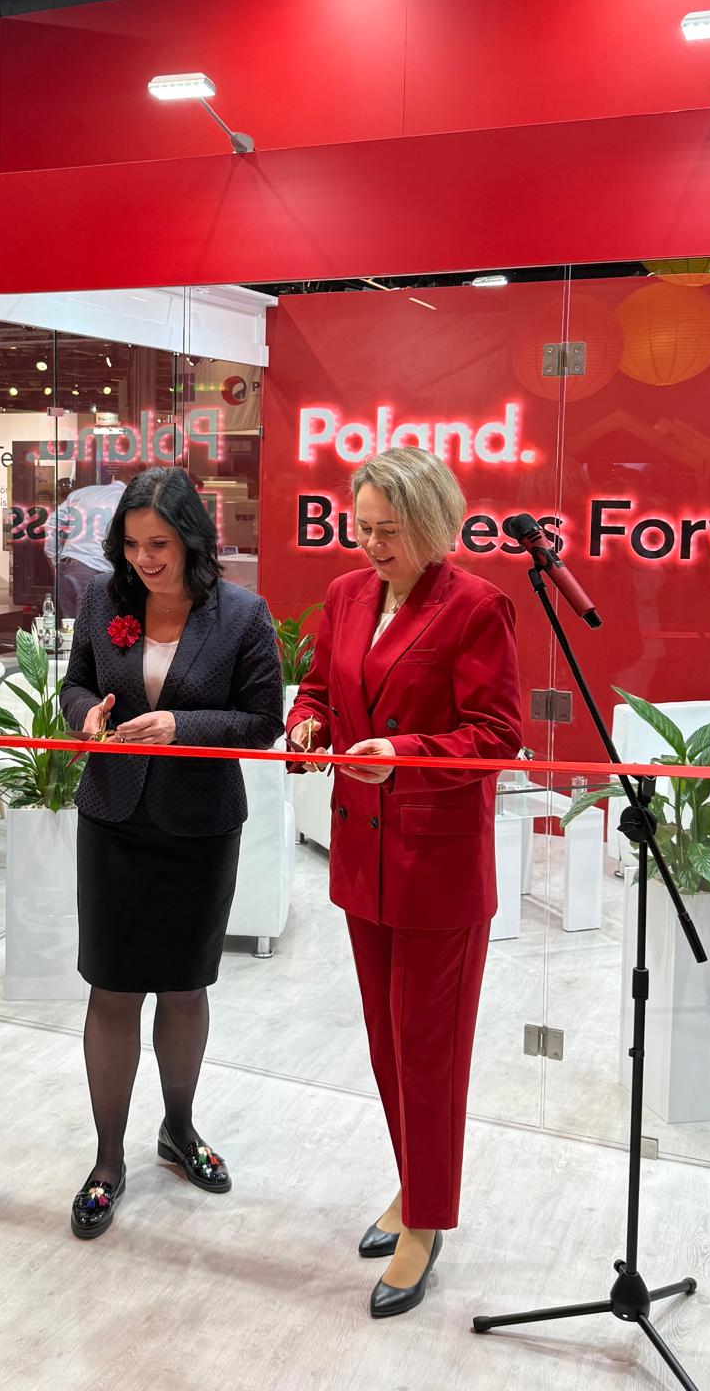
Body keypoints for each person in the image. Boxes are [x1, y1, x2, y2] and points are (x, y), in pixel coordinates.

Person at [286, 446, 521, 1319]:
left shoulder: (476, 606)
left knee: (430, 1055)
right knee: (389, 1049)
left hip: (437, 866)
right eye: (364, 527)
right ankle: (412, 1184)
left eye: (389, 530)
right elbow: (318, 688)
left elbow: (495, 735)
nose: (373, 544)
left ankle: (427, 1221)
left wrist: (406, 754)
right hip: (364, 857)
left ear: (433, 524)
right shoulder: (348, 595)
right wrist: (308, 726)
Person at [60, 466, 283, 1239]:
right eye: (131, 545)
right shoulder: (104, 600)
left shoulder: (242, 614)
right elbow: (75, 685)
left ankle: (179, 1130)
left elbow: (263, 722)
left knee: (185, 988)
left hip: (199, 826)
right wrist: (88, 716)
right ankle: (107, 1160)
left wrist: (181, 727)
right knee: (113, 989)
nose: (144, 560)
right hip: (113, 819)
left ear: (192, 539)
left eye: (158, 544)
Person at [43, 473, 126, 617]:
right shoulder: (127, 499)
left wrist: (54, 559)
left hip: (66, 567)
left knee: (66, 627)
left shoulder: (81, 493)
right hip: (96, 570)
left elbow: (52, 524)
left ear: (113, 478)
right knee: (87, 627)